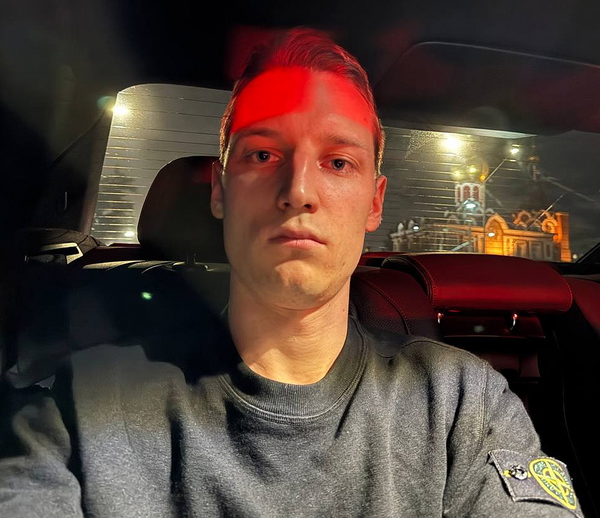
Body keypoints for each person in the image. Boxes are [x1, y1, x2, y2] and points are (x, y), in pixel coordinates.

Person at [0, 28, 583, 517]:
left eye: (338, 162)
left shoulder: (461, 404)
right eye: (263, 154)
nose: (298, 190)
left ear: (375, 202)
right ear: (221, 192)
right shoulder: (75, 410)